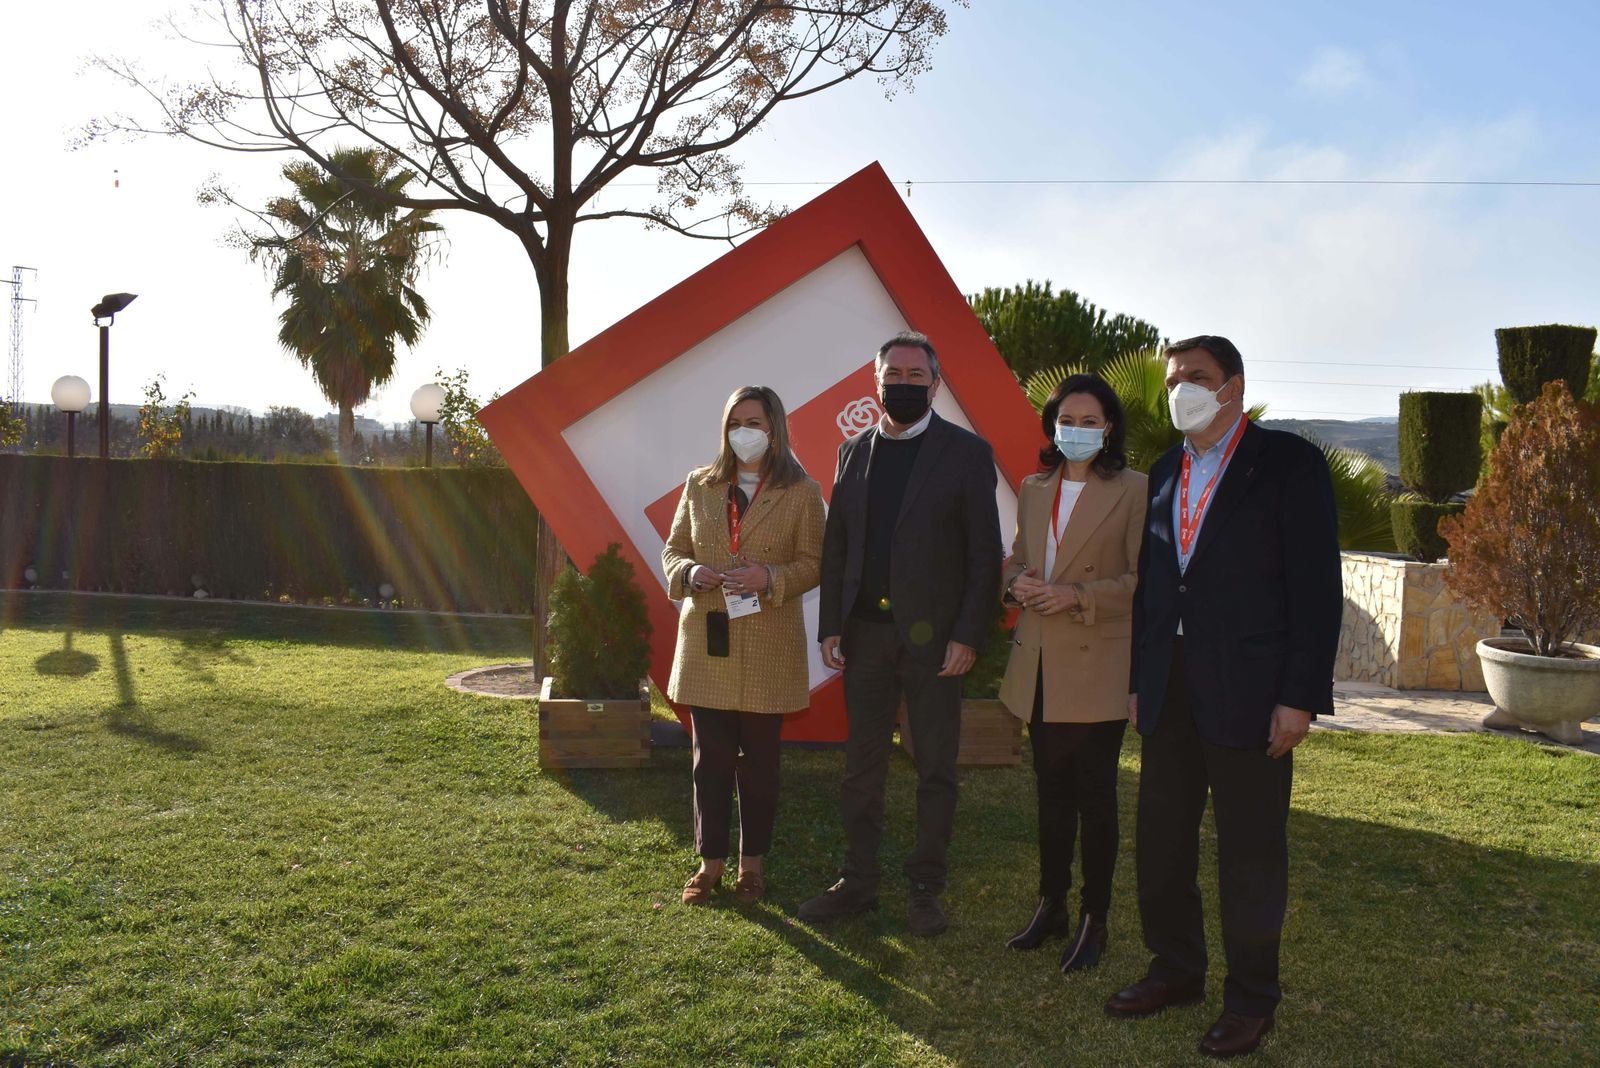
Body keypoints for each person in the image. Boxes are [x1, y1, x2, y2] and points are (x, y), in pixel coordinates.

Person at [1104, 337, 1342, 1059]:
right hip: (1170, 689)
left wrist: (1299, 696)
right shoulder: (1166, 469)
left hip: (1252, 693)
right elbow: (1154, 591)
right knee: (1163, 845)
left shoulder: (1288, 464)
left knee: (1250, 853)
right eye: (1174, 380)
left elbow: (1314, 590)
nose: (1181, 390)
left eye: (1197, 378)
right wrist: (1142, 683)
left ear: (1234, 386)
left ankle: (1251, 1000)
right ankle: (1175, 970)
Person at [797, 330, 1002, 938]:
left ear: (936, 384)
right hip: (864, 637)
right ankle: (857, 882)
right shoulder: (851, 452)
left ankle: (924, 888)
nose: (905, 385)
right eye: (895, 375)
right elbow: (839, 547)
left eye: (918, 377)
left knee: (935, 767)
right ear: (876, 381)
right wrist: (831, 623)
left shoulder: (967, 453)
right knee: (862, 767)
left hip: (939, 644)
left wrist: (968, 635)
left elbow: (984, 557)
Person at [998, 374, 1146, 972]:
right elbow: (1016, 558)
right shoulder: (1035, 488)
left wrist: (1079, 596)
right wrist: (1016, 583)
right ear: (1052, 426)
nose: (1078, 431)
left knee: (1096, 797)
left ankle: (1096, 917)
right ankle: (1051, 904)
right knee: (1050, 792)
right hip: (1037, 663)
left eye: (1090, 422)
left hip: (1096, 661)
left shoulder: (1135, 489)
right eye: (1068, 420)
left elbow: (1144, 579)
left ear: (1108, 428)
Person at [661, 385, 825, 907]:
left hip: (768, 646)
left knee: (760, 765)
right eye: (736, 422)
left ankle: (751, 866)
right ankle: (709, 864)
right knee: (708, 759)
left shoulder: (802, 491)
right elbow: (673, 551)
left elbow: (816, 563)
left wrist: (768, 577)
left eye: (754, 423)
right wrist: (689, 571)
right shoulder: (700, 484)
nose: (744, 433)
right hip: (707, 641)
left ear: (774, 428)